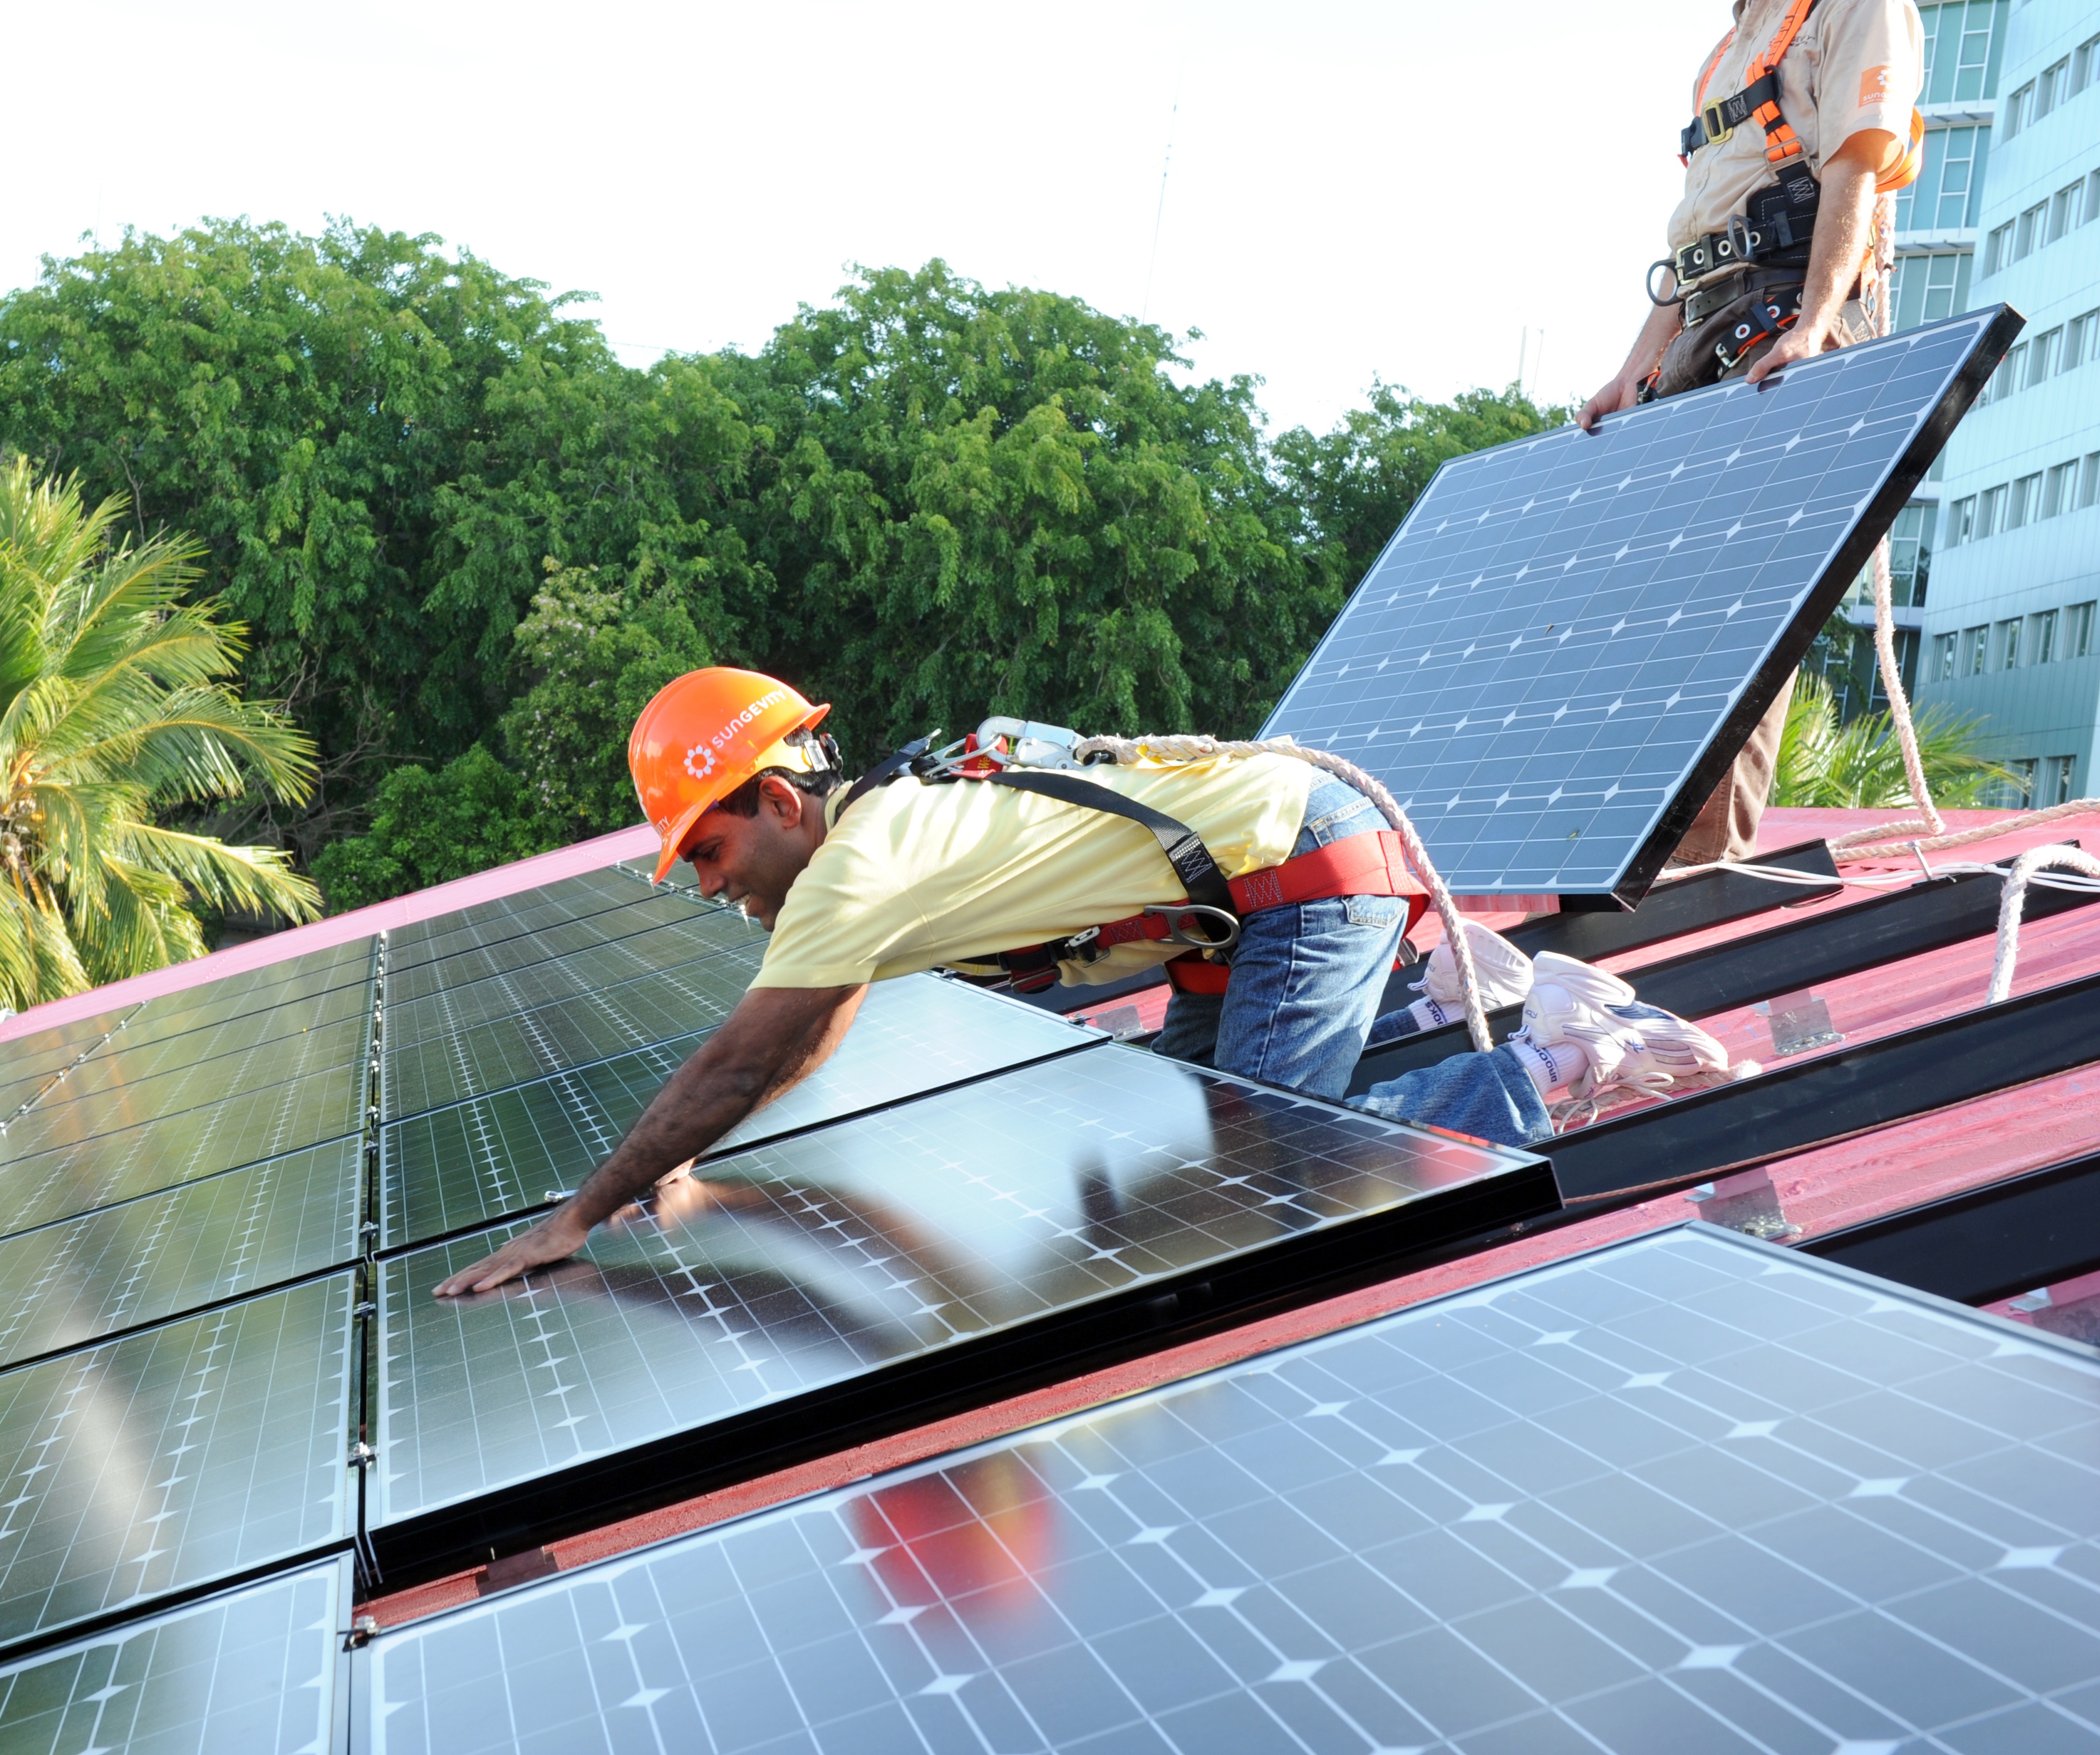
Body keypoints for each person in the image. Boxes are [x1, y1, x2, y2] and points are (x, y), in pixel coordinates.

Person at [436, 669, 1735, 1296]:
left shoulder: (858, 864)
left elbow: (745, 1057)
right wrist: (700, 1178)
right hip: (1245, 909)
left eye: (712, 850)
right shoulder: (866, 852)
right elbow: (800, 1048)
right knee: (1140, 1166)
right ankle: (1431, 1007)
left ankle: (1548, 1056)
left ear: (780, 799)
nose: (712, 885)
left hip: (1302, 871)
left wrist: (585, 1212)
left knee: (1265, 1192)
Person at [1578, 0, 1925, 868]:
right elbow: (1695, 237)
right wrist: (1636, 370)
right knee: (1653, 609)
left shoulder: (1854, 6)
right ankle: (1627, 856)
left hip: (1786, 311)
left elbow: (1854, 165)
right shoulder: (1727, 49)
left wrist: (1813, 326)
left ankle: (1700, 873)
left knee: (1736, 604)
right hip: (1705, 317)